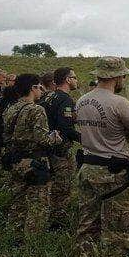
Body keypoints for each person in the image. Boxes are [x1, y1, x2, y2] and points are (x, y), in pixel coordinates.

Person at [75, 57, 129, 257]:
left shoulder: (82, 100)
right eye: (123, 75)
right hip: (114, 173)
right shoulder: (119, 102)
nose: (124, 79)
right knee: (117, 229)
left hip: (87, 167)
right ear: (117, 76)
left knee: (87, 225)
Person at [2, 74, 62, 234]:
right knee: (38, 205)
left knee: (18, 202)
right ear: (32, 88)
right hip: (35, 162)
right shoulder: (36, 110)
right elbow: (43, 140)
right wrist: (55, 138)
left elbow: (6, 136)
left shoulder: (11, 108)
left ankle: (14, 239)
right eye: (39, 87)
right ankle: (33, 242)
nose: (41, 90)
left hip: (15, 160)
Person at [38, 66, 80, 229]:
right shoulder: (65, 99)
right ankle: (58, 223)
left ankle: (51, 216)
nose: (77, 80)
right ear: (68, 80)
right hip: (60, 150)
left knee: (52, 185)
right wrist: (84, 138)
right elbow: (66, 127)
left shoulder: (48, 97)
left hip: (48, 147)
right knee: (62, 186)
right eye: (74, 77)